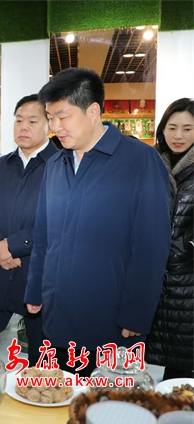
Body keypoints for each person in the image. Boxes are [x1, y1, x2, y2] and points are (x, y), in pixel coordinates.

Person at [24, 67, 171, 376]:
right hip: (57, 315)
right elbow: (43, 236)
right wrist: (35, 290)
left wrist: (137, 312)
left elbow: (151, 246)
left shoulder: (139, 161)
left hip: (113, 321)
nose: (55, 127)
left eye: (63, 117)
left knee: (109, 402)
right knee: (60, 397)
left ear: (92, 112)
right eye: (50, 118)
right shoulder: (55, 165)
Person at [0, 94, 58, 366]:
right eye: (19, 120)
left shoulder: (61, 165)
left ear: (49, 125)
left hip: (38, 279)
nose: (24, 126)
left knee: (41, 366)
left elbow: (57, 221)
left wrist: (12, 246)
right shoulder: (1, 166)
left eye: (33, 121)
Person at [146, 98, 194, 380]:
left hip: (187, 282)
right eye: (172, 127)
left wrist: (185, 248)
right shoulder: (150, 164)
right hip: (152, 277)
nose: (179, 135)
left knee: (181, 370)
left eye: (188, 129)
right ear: (162, 129)